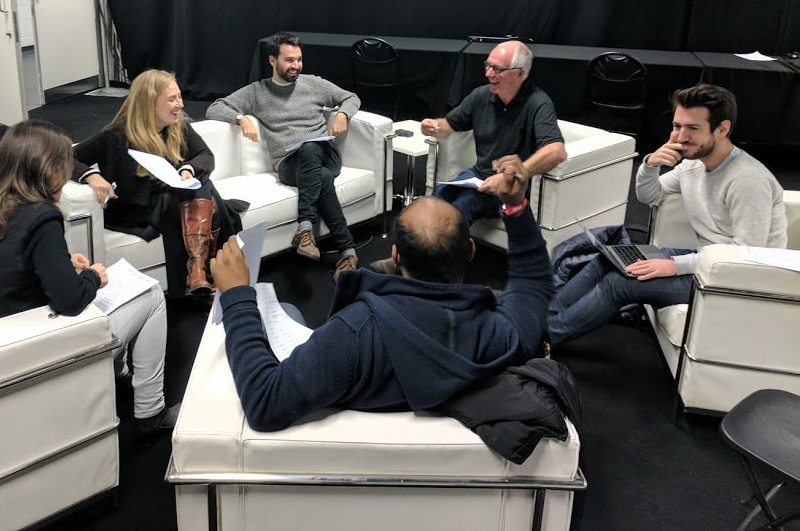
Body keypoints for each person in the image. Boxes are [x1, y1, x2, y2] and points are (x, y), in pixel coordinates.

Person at [210, 155, 555, 432]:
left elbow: (265, 404)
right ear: (470, 251)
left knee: (286, 309)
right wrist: (516, 207)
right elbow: (533, 281)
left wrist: (238, 295)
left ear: (396, 256)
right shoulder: (500, 334)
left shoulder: (353, 333)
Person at [0, 119, 177, 441]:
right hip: (33, 346)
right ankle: (150, 411)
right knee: (151, 296)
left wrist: (62, 264)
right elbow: (71, 302)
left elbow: (10, 265)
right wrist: (93, 276)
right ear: (46, 169)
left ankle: (117, 373)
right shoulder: (41, 216)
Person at [547, 84, 786, 346]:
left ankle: (543, 340)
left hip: (732, 278)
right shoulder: (694, 165)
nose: (680, 137)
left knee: (620, 283)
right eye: (676, 126)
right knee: (608, 259)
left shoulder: (747, 180)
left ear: (722, 129)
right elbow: (650, 196)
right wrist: (650, 165)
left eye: (692, 128)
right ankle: (541, 318)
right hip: (706, 261)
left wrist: (675, 266)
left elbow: (745, 255)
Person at [206, 33, 361, 281]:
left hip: (324, 154)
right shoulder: (257, 92)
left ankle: (305, 228)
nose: (296, 66)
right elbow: (215, 107)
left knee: (311, 149)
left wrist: (342, 114)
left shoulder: (314, 84)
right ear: (272, 60)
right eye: (289, 60)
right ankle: (348, 252)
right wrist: (240, 118)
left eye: (299, 60)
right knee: (319, 176)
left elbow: (351, 97)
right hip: (289, 164)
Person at [73, 70, 241, 298]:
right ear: (149, 103)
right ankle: (204, 272)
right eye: (172, 99)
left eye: (180, 97)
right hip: (133, 208)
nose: (180, 105)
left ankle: (198, 270)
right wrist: (91, 176)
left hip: (169, 200)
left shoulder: (178, 126)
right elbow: (65, 157)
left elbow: (205, 155)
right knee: (205, 194)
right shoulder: (117, 135)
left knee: (198, 185)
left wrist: (187, 169)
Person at [421, 40, 567, 224]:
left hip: (513, 185)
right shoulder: (480, 95)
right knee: (437, 196)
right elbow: (448, 125)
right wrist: (433, 126)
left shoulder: (538, 102)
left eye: (497, 69)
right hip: (479, 175)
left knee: (463, 206)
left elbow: (557, 151)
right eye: (488, 65)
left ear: (519, 73)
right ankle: (424, 249)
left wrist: (510, 175)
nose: (488, 73)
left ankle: (452, 251)